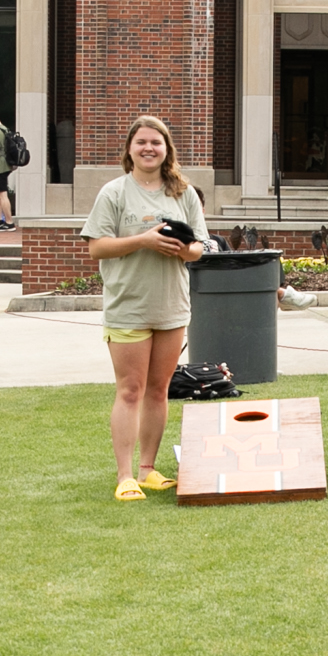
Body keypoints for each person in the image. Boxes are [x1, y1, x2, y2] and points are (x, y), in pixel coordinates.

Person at [82, 113, 211, 497]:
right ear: (130, 149)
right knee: (130, 390)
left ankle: (148, 468)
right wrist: (144, 240)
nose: (149, 148)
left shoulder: (183, 192)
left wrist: (182, 248)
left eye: (156, 142)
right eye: (142, 142)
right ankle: (124, 477)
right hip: (129, 305)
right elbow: (97, 247)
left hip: (171, 306)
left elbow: (200, 249)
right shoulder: (114, 193)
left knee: (159, 390)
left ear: (167, 149)